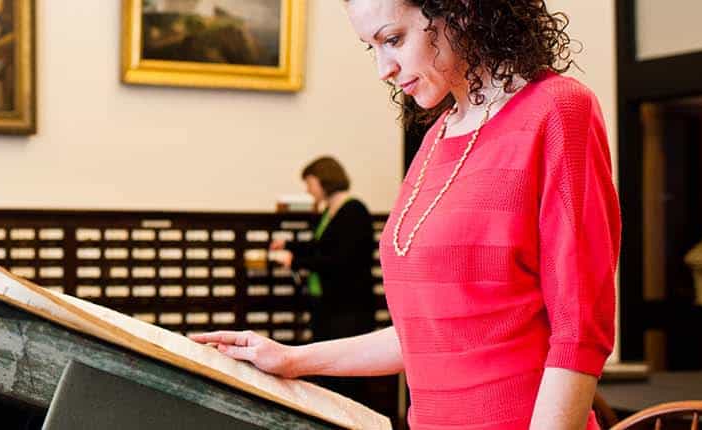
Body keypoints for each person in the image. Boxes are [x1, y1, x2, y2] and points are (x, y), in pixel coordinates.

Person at [191, 1, 619, 429]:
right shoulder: (435, 137)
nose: (384, 69)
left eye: (393, 40)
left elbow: (579, 333)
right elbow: (423, 333)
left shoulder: (558, 110)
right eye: (371, 48)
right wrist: (290, 359)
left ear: (461, 11)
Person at [269, 156, 378, 400]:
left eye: (310, 183)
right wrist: (289, 245)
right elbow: (319, 247)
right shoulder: (330, 212)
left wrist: (294, 261)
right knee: (326, 375)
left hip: (348, 310)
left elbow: (341, 260)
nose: (308, 190)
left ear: (323, 181)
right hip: (328, 307)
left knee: (345, 380)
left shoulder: (353, 211)